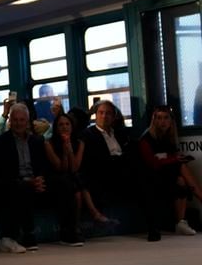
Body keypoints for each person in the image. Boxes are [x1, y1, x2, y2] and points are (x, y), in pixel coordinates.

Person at [0, 103, 48, 252]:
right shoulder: (0, 142)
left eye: (22, 120)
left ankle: (69, 230)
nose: (18, 123)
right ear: (10, 121)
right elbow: (2, 172)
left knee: (65, 184)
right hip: (12, 182)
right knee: (21, 188)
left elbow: (42, 164)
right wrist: (28, 182)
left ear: (27, 122)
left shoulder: (37, 141)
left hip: (34, 180)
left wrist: (40, 178)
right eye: (15, 120)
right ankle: (25, 234)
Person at [138, 105, 202, 241]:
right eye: (159, 118)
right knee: (180, 167)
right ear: (153, 120)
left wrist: (175, 158)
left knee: (181, 179)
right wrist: (174, 159)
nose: (162, 121)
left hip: (165, 174)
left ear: (171, 121)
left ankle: (181, 222)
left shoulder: (168, 137)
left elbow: (167, 157)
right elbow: (151, 163)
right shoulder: (146, 138)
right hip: (148, 176)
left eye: (166, 118)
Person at [81, 100, 131, 224]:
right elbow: (94, 159)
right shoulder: (88, 134)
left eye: (108, 113)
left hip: (122, 168)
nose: (104, 116)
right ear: (96, 115)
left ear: (113, 117)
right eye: (101, 113)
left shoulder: (120, 133)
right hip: (104, 170)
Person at [44, 113, 85, 246]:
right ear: (56, 127)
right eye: (61, 124)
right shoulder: (48, 143)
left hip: (72, 176)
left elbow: (74, 168)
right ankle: (68, 230)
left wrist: (69, 149)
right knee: (68, 184)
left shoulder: (80, 143)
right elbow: (61, 168)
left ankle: (74, 229)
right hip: (54, 177)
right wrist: (64, 150)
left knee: (77, 191)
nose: (64, 127)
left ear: (72, 127)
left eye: (67, 124)